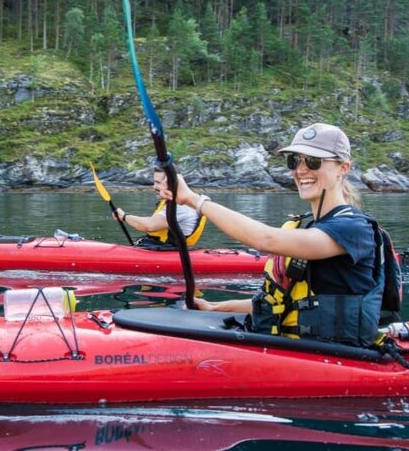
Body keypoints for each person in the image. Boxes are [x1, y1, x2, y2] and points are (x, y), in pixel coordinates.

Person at [161, 123, 384, 347]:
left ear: (343, 168)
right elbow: (280, 303)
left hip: (335, 357)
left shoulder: (354, 228)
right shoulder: (305, 225)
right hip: (297, 347)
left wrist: (194, 200)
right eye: (294, 161)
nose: (301, 170)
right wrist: (216, 307)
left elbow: (265, 240)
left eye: (313, 161)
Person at [113, 167, 206, 248]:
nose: (154, 186)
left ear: (171, 182)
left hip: (170, 252)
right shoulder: (173, 200)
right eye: (155, 182)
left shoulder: (181, 206)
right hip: (160, 248)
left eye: (158, 183)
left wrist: (124, 216)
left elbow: (150, 226)